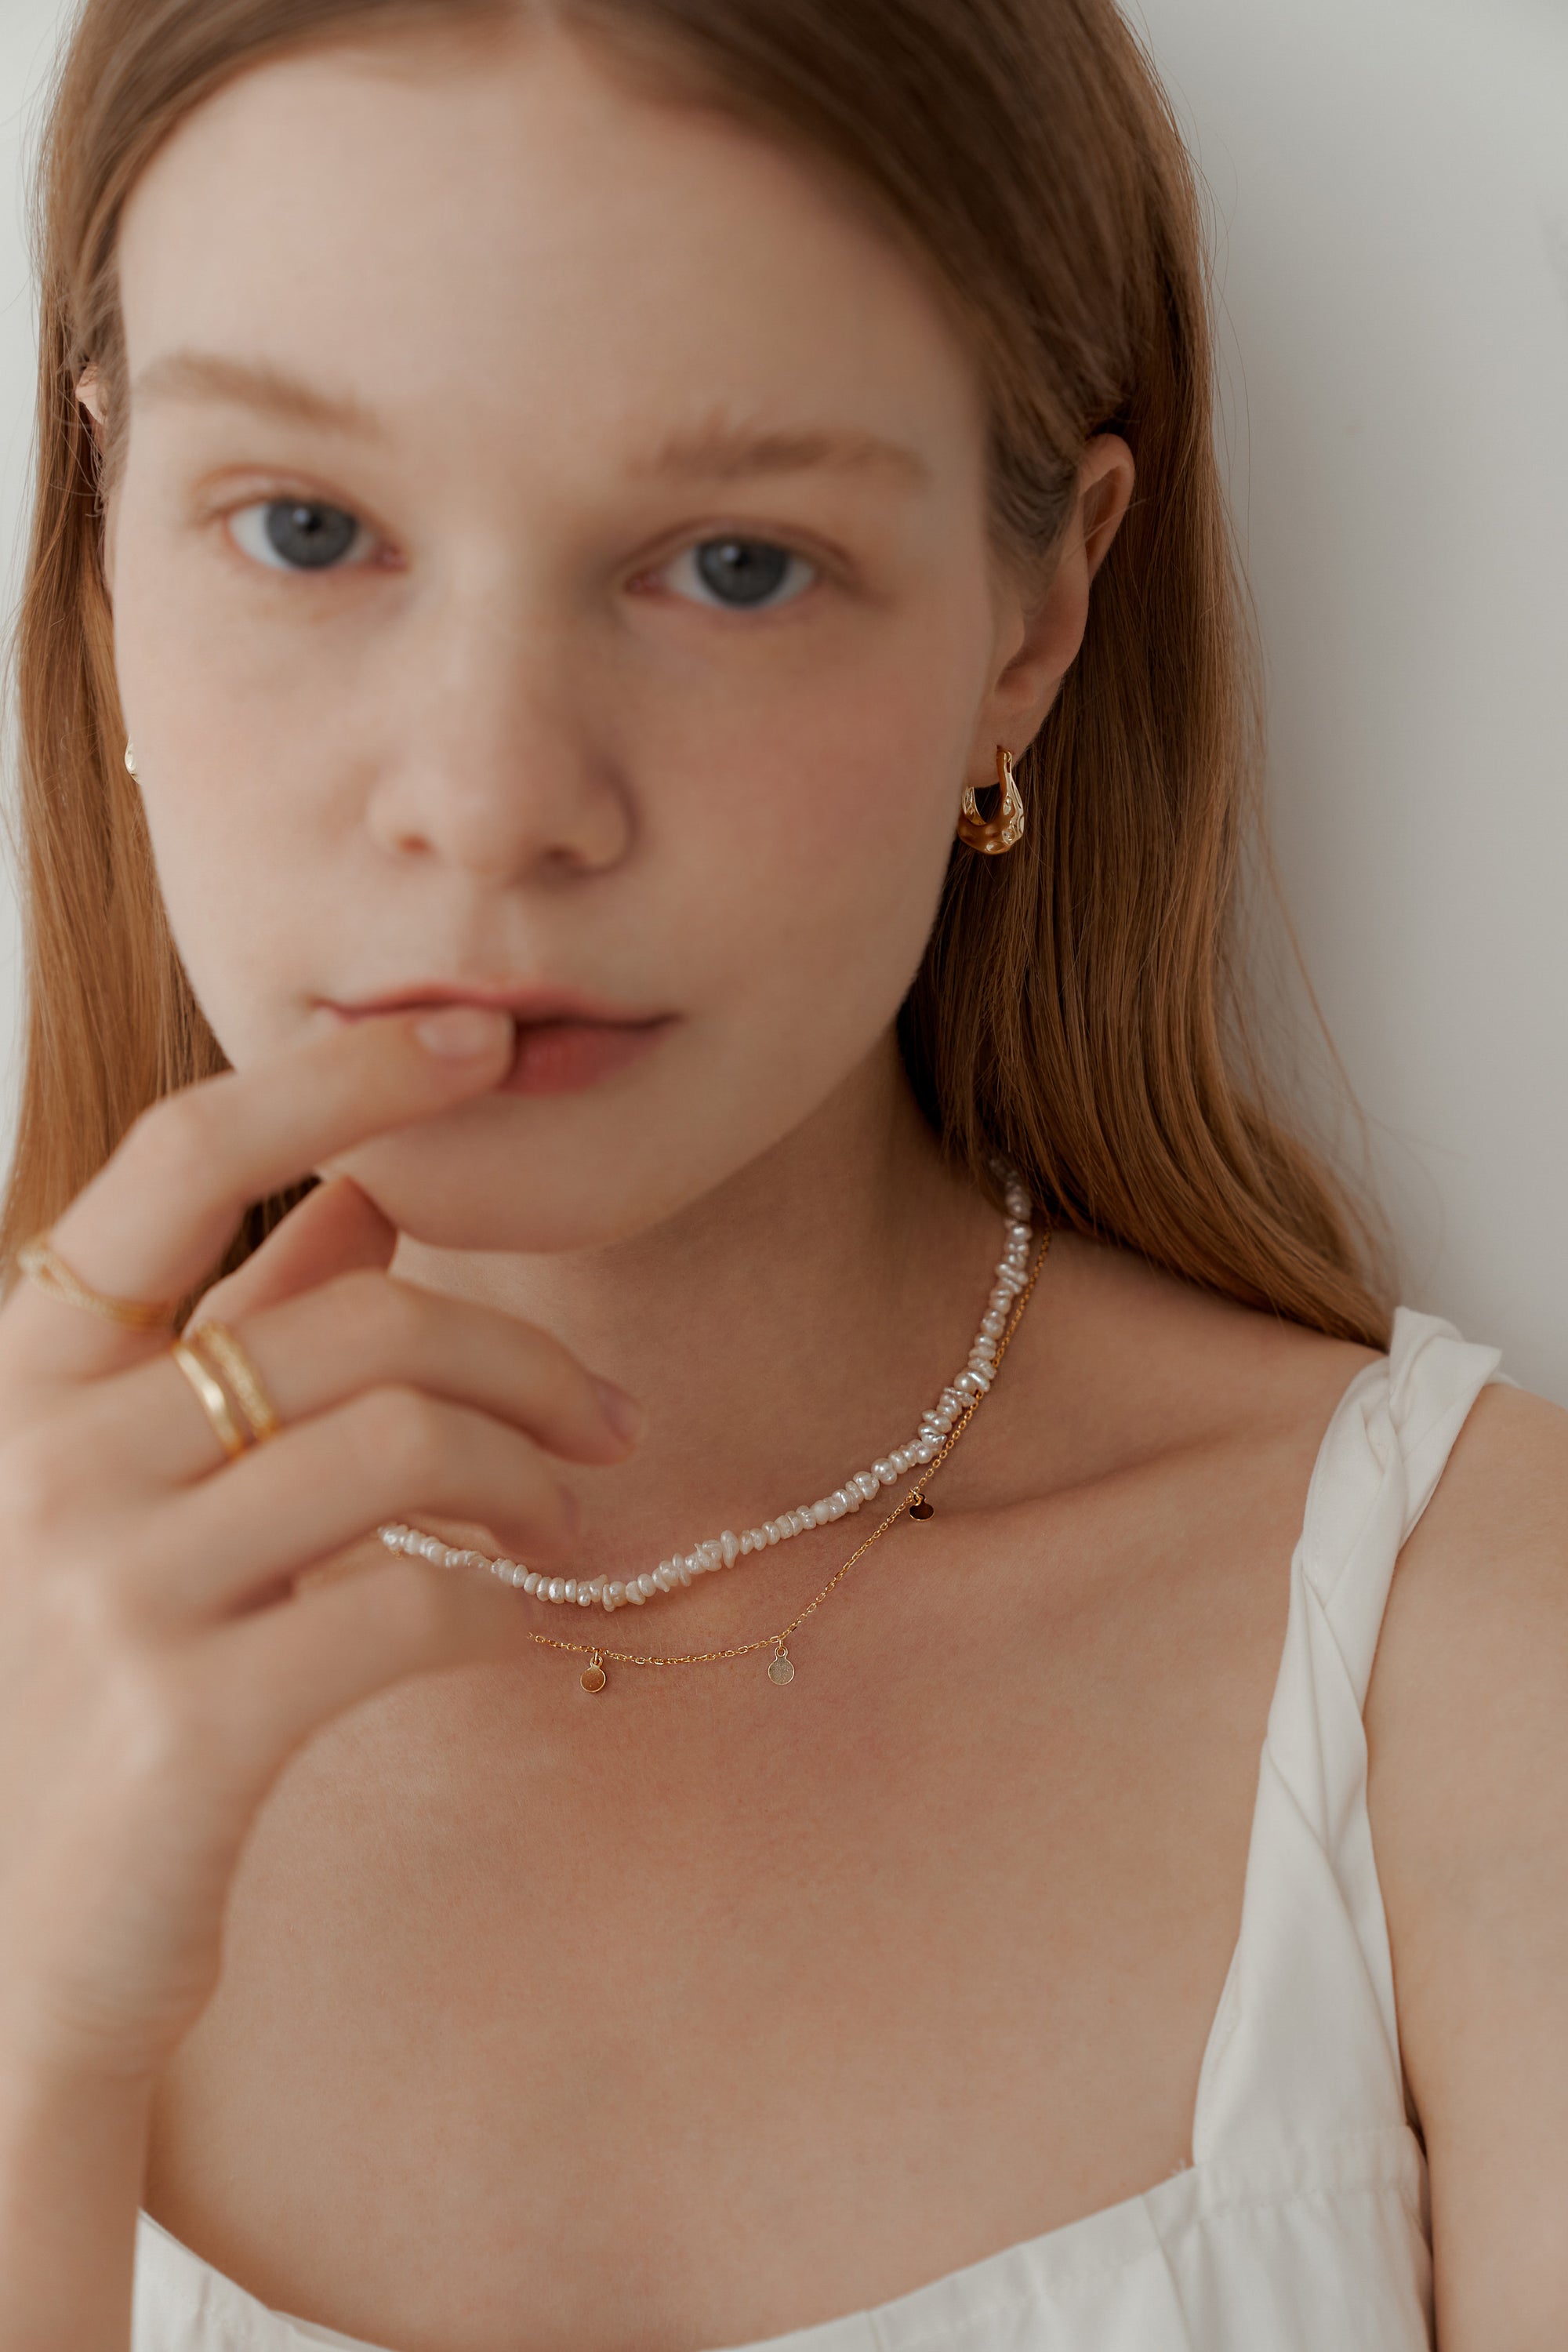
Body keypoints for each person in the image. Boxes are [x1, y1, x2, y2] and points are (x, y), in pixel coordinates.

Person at [0, 0, 1563, 2346]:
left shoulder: (1477, 1652)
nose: (492, 798)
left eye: (734, 564)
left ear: (1035, 618)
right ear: (111, 556)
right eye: (307, 528)